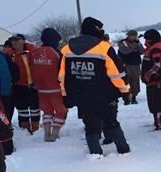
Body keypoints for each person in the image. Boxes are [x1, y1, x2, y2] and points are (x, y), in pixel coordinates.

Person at [59, 16, 131, 156]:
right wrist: (125, 91)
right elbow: (116, 74)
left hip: (80, 95)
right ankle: (124, 150)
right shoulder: (104, 47)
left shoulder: (67, 49)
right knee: (111, 123)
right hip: (103, 95)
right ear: (96, 30)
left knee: (90, 126)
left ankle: (95, 154)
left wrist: (65, 95)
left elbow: (61, 76)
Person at [29, 28, 68, 142]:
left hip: (41, 88)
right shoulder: (56, 53)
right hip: (55, 88)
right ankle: (54, 134)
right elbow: (62, 70)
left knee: (47, 112)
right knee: (61, 111)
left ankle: (46, 134)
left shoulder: (34, 53)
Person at [3, 34, 40, 134]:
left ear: (23, 41)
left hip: (32, 84)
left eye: (17, 40)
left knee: (34, 107)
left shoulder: (33, 51)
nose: (15, 43)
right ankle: (25, 129)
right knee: (21, 108)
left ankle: (35, 128)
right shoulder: (9, 54)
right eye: (13, 41)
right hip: (18, 85)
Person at [141, 29, 161, 130]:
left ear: (151, 40)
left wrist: (147, 76)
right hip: (157, 81)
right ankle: (158, 121)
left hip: (157, 81)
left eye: (146, 40)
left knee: (156, 103)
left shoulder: (156, 49)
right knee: (156, 103)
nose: (145, 42)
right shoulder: (157, 47)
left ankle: (160, 123)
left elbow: (157, 66)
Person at [117, 30, 144, 105]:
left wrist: (138, 44)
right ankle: (126, 98)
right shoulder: (123, 42)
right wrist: (134, 46)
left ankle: (134, 97)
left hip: (136, 65)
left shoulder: (137, 42)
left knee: (135, 82)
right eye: (133, 36)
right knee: (126, 81)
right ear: (128, 36)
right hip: (126, 65)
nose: (134, 37)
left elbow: (142, 51)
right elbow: (125, 51)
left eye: (135, 35)